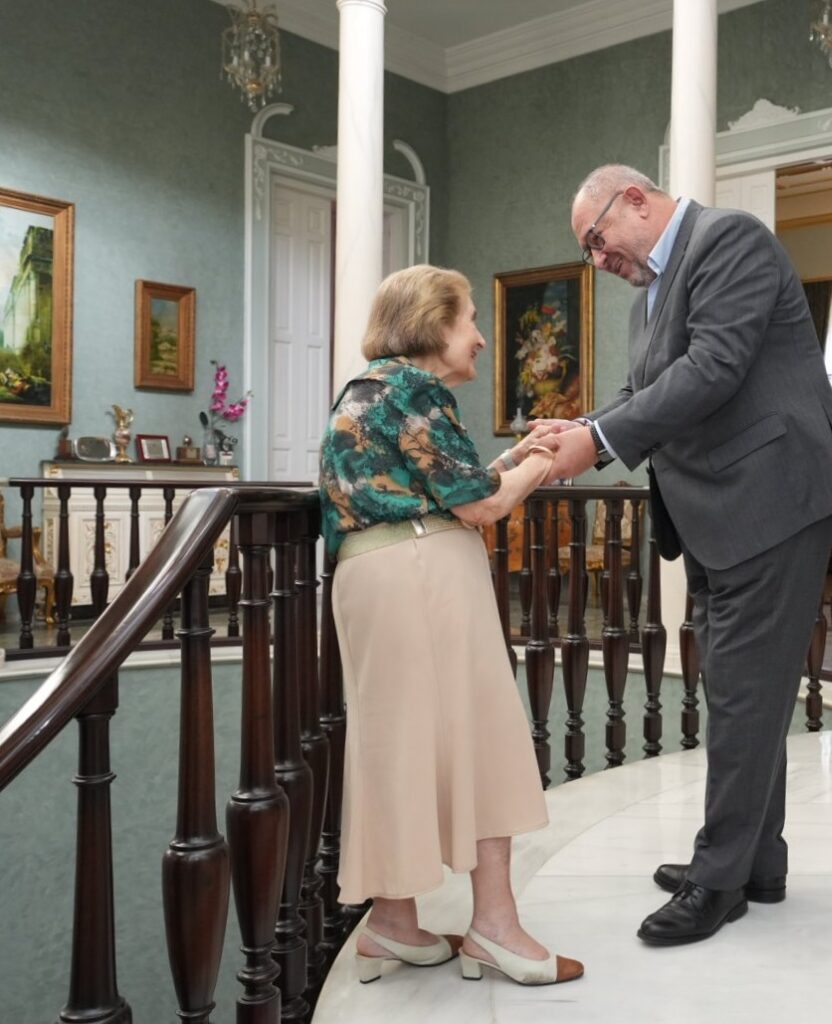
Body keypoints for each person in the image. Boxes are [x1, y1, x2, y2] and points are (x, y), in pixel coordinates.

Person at [538, 164, 832, 946]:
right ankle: (759, 860)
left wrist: (600, 443)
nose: (598, 260)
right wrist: (576, 426)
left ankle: (718, 881)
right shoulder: (650, 292)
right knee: (740, 686)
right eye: (589, 252)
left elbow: (712, 369)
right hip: (720, 512)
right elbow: (637, 390)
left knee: (744, 692)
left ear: (637, 201)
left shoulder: (730, 241)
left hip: (773, 499)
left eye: (597, 240)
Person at [319, 264, 583, 986]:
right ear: (434, 326)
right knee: (482, 730)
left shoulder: (371, 390)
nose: (483, 339)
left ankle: (392, 921)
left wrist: (513, 460)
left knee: (392, 742)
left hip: (372, 574)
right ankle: (493, 924)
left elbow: (445, 486)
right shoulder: (415, 389)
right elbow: (482, 508)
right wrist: (547, 461)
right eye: (471, 320)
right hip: (420, 573)